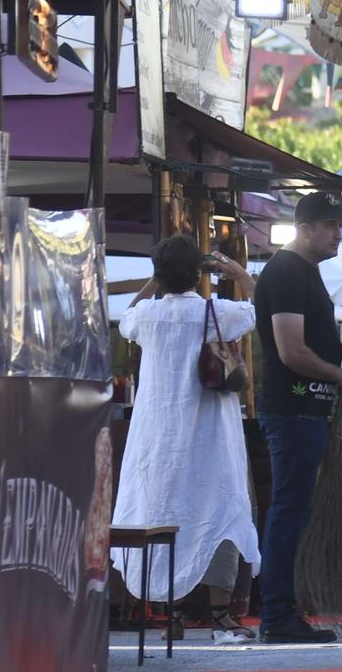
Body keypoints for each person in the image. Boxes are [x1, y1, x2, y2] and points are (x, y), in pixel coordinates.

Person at [112, 237, 259, 644]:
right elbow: (262, 308)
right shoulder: (218, 312)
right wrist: (240, 273)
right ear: (199, 273)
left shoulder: (148, 315)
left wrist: (152, 283)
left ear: (160, 274)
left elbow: (125, 316)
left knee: (163, 513)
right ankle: (221, 618)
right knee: (221, 512)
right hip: (211, 435)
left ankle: (172, 615)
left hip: (158, 438)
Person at [254, 191, 342, 645]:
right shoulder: (284, 272)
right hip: (293, 407)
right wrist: (341, 375)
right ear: (304, 229)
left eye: (341, 224)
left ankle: (286, 610)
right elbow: (291, 352)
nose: (340, 234)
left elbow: (309, 346)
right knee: (288, 510)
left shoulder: (309, 273)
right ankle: (277, 616)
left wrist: (341, 352)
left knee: (296, 511)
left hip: (309, 409)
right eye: (332, 225)